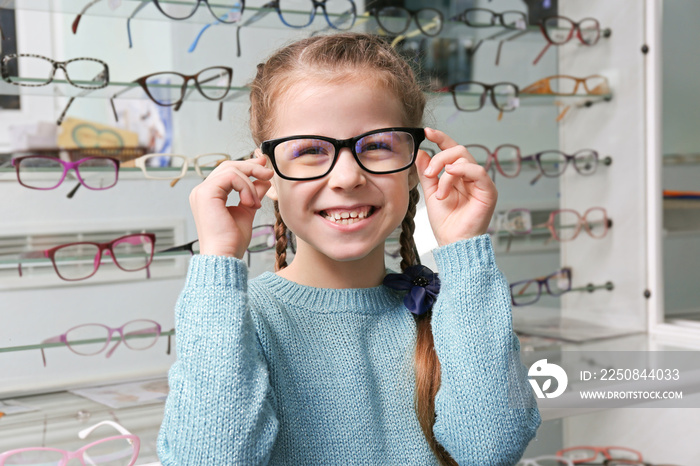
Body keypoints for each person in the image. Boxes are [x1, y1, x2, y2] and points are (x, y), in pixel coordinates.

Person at [157, 32, 540, 465]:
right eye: (308, 151)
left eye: (376, 145)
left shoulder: (454, 304)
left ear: (417, 167)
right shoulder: (235, 317)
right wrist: (218, 260)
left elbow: (492, 449)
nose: (346, 178)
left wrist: (464, 251)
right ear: (267, 176)